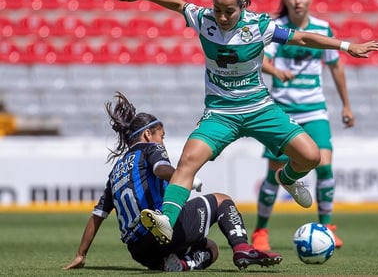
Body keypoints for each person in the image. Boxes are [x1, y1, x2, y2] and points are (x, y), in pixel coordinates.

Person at [110, 0, 378, 248]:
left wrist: (346, 46)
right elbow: (176, 3)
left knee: (312, 157)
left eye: (229, 12)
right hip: (220, 113)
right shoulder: (204, 19)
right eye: (218, 10)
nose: (222, 17)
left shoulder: (260, 27)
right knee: (188, 160)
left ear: (244, 6)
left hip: (259, 108)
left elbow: (303, 38)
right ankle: (166, 220)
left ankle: (287, 179)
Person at [63, 91, 282, 272]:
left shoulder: (115, 171)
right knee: (222, 200)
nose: (163, 142)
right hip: (163, 231)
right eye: (162, 135)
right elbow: (161, 170)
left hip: (139, 251)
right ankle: (242, 248)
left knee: (211, 249)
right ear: (148, 134)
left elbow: (98, 216)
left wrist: (81, 254)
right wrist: (186, 177)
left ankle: (180, 264)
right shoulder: (151, 149)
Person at [252, 0, 352, 252]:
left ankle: (328, 227)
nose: (297, 1)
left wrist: (346, 105)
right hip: (282, 109)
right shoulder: (277, 28)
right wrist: (276, 71)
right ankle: (260, 231)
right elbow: (261, 58)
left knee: (325, 165)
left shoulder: (322, 27)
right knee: (274, 174)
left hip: (314, 107)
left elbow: (335, 67)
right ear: (285, 0)